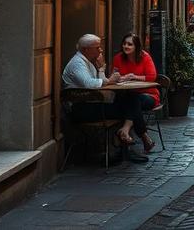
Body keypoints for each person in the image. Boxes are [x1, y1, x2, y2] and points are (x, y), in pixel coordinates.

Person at [61, 34, 147, 164]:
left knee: (131, 99)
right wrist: (109, 79)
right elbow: (90, 84)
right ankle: (127, 142)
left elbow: (101, 82)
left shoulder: (88, 62)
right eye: (97, 47)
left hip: (92, 106)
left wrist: (101, 69)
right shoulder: (78, 63)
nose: (101, 50)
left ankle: (124, 137)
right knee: (131, 105)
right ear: (86, 50)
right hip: (81, 110)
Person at [110, 33, 160, 153]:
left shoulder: (145, 57)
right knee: (132, 100)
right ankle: (144, 137)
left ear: (137, 46)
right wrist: (117, 78)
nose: (126, 46)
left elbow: (152, 77)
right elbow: (114, 75)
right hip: (126, 95)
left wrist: (133, 77)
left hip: (149, 95)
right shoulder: (118, 58)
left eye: (130, 44)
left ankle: (125, 129)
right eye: (124, 44)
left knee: (133, 100)